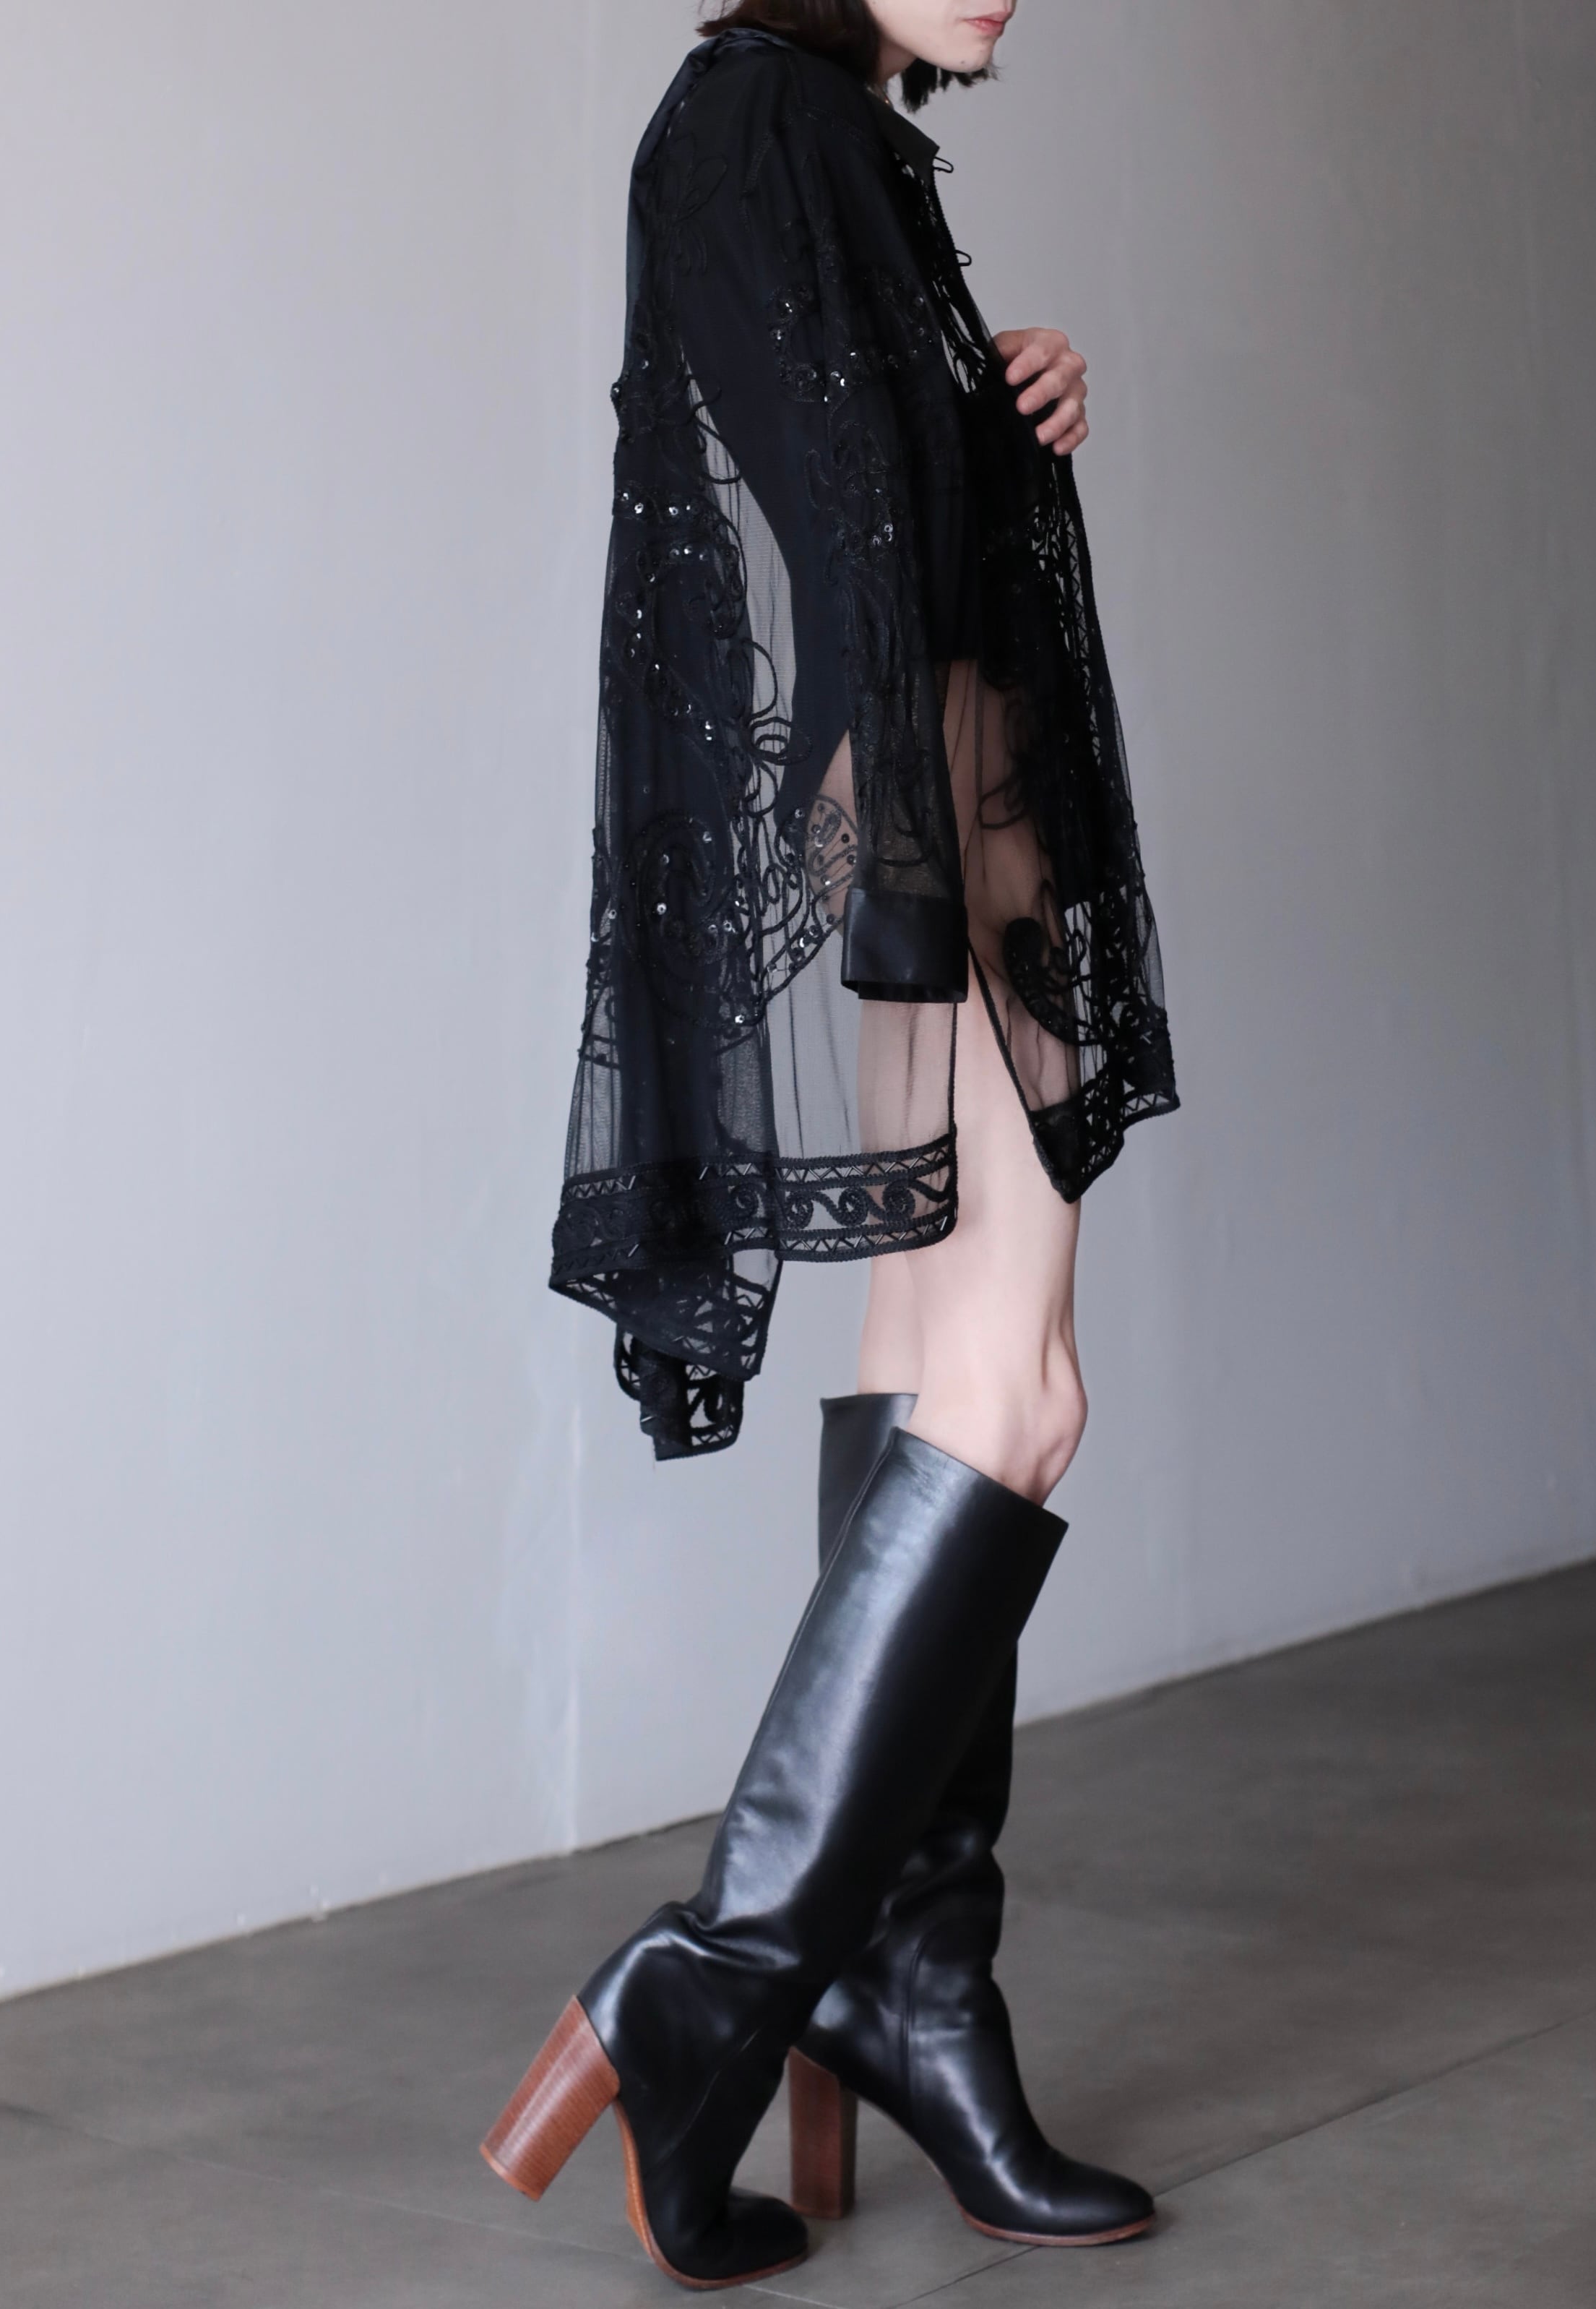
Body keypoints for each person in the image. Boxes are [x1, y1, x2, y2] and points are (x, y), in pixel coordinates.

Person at [482, 0, 1178, 2287]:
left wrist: (1003, 392)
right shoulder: (765, 121)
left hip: (924, 789)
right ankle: (715, 1973)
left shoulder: (820, 132)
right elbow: (846, 519)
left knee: (922, 1363)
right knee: (1018, 1394)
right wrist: (924, 853)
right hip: (933, 796)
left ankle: (893, 1978)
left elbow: (879, 471)